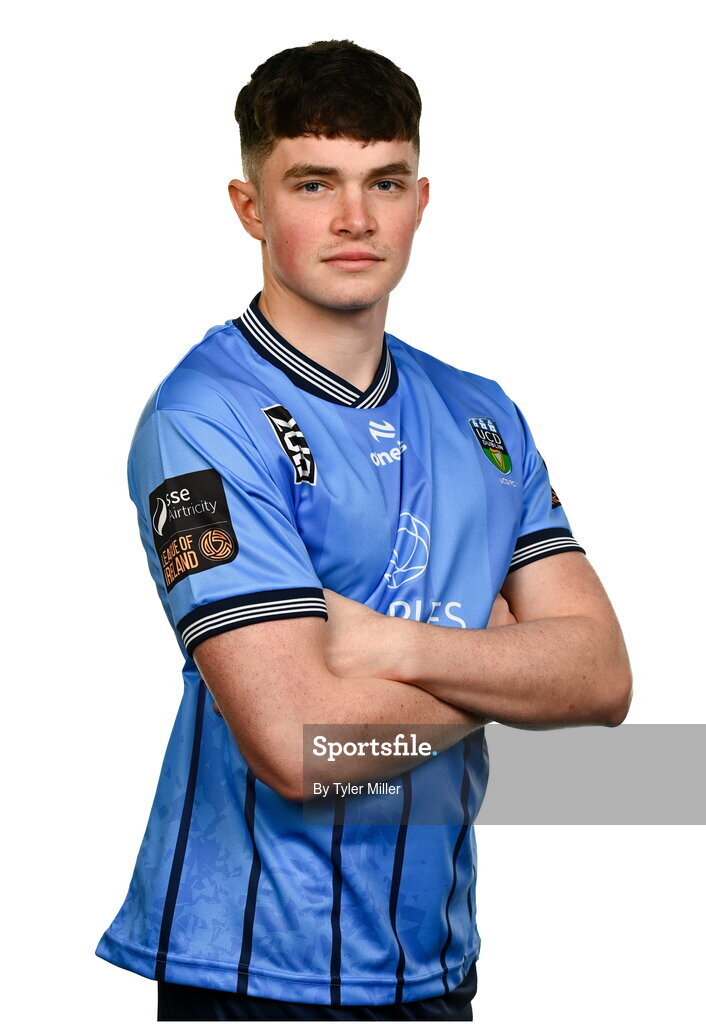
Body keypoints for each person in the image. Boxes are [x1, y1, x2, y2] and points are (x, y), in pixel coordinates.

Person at [95, 39, 632, 1022]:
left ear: (419, 201)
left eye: (384, 181)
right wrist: (505, 673)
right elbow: (300, 752)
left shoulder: (483, 416)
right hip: (252, 973)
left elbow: (600, 678)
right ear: (250, 206)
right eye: (313, 183)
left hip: (434, 963)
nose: (355, 218)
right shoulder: (202, 420)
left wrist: (390, 645)